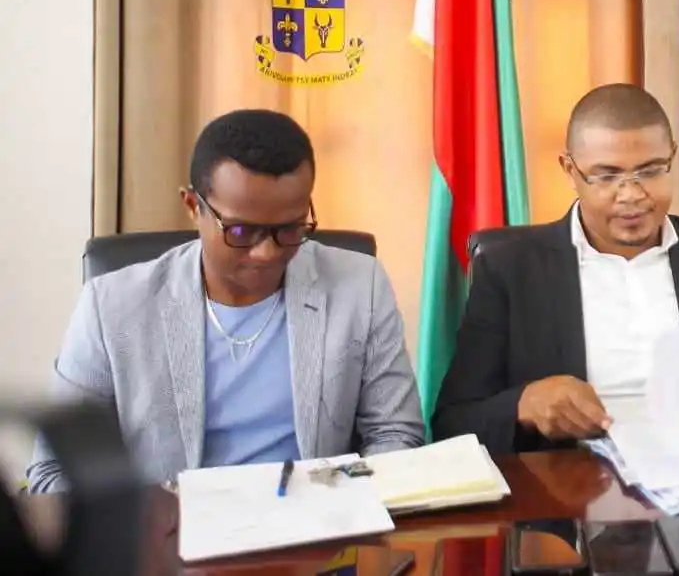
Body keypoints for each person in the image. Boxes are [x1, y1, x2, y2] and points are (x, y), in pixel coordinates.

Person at [26, 109, 424, 492]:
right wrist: (147, 520)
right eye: (240, 231)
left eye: (289, 229)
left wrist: (347, 504)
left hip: (317, 526)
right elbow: (53, 472)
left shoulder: (360, 286)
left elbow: (395, 432)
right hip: (173, 532)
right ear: (192, 206)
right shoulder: (111, 307)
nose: (266, 253)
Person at [432, 83, 679, 454]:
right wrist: (525, 404)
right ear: (570, 170)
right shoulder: (511, 269)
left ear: (672, 156)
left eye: (651, 170)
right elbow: (452, 425)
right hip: (576, 491)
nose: (632, 195)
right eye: (607, 176)